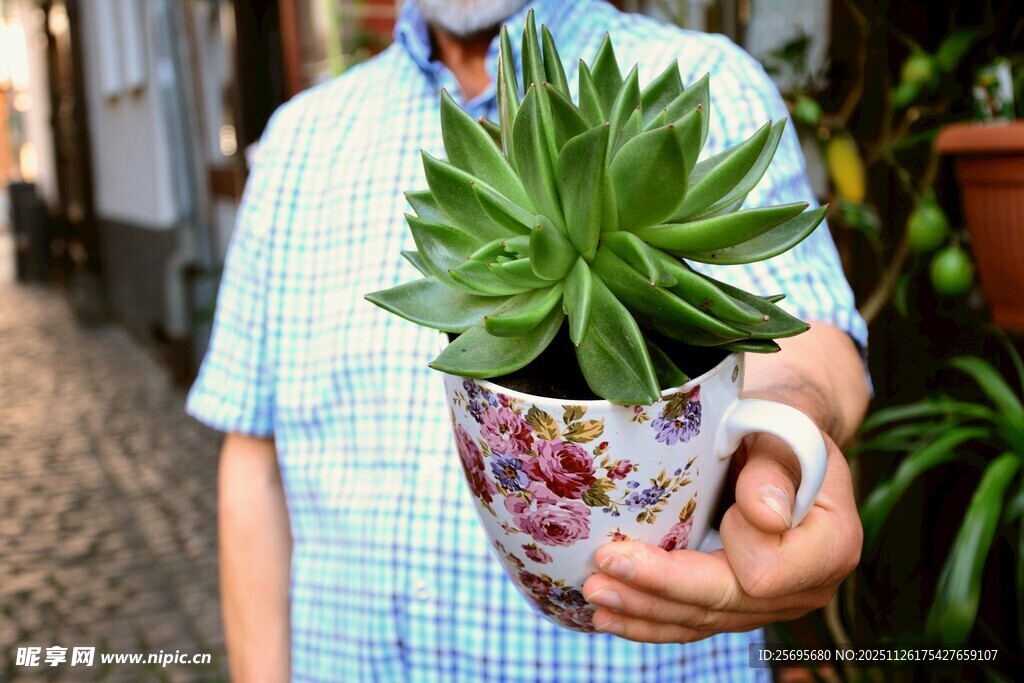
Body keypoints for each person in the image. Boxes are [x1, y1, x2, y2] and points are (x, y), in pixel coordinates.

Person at [187, 0, 871, 680]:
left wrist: (783, 438)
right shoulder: (297, 143)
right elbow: (255, 459)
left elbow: (814, 338)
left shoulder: (703, 85)